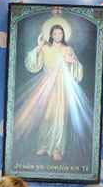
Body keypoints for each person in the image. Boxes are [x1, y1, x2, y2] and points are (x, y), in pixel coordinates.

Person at [13, 23, 92, 162]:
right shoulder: (45, 48)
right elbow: (32, 63)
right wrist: (38, 46)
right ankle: (43, 145)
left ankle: (57, 149)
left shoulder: (68, 49)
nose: (58, 36)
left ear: (63, 35)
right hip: (47, 84)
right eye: (55, 33)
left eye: (60, 33)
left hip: (62, 85)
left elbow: (78, 68)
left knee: (60, 117)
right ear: (51, 35)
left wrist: (72, 61)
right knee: (46, 115)